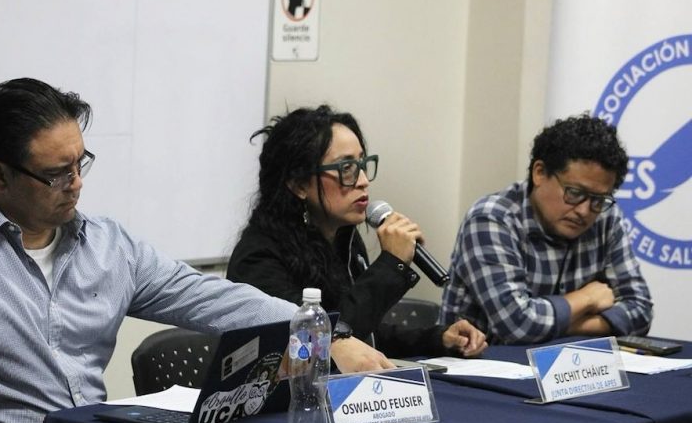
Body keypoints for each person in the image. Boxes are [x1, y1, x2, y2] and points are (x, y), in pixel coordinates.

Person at [0, 79, 384, 423]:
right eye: (56, 174)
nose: (77, 183)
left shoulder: (108, 247)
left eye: (81, 163)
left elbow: (210, 297)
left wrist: (324, 333)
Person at [226, 105, 487, 359]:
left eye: (362, 164)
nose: (363, 181)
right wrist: (391, 265)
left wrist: (437, 339)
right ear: (299, 185)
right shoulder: (259, 258)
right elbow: (321, 342)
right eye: (346, 168)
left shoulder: (342, 238)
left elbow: (364, 334)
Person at [441, 114, 653, 344]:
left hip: (569, 363)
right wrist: (587, 298)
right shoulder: (492, 218)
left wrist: (564, 324)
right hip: (483, 362)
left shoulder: (606, 218)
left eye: (598, 199)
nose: (584, 211)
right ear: (539, 173)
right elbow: (518, 326)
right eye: (575, 193)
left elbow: (640, 311)